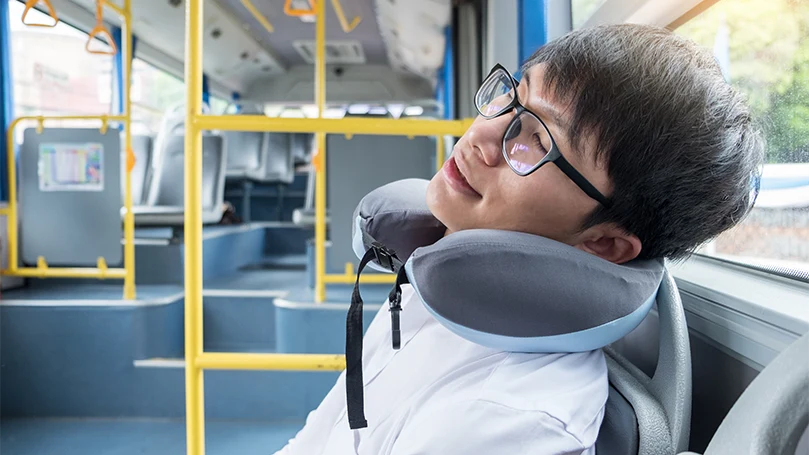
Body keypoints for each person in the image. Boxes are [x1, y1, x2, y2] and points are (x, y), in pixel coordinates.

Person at [274, 23, 764, 454]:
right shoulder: (433, 276)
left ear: (604, 243)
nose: (484, 138)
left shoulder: (513, 419)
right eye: (512, 97)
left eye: (537, 140)